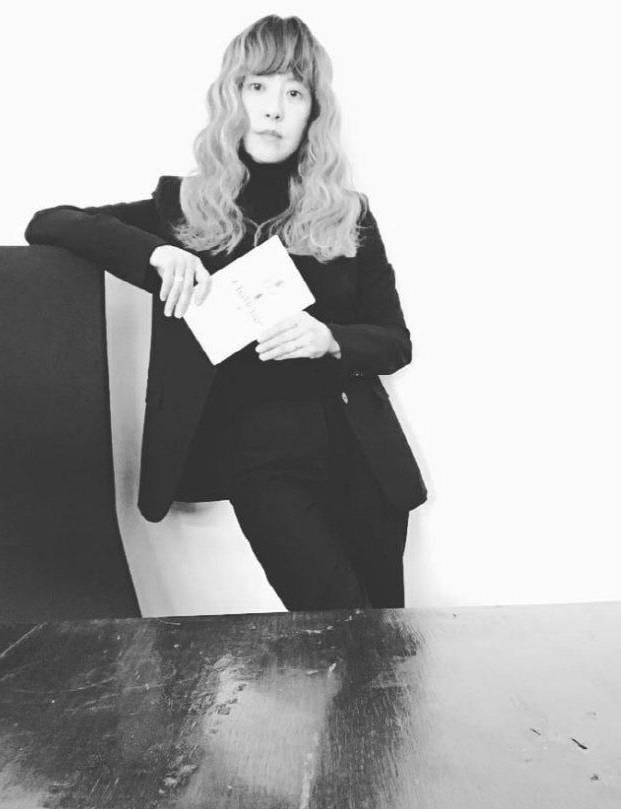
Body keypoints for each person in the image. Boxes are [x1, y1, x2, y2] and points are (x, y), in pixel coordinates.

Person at [25, 15, 427, 611]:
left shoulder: (348, 213)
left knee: (384, 631)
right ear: (231, 98)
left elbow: (395, 341)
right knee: (334, 618)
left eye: (294, 92)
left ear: (313, 112)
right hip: (258, 457)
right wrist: (155, 253)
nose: (273, 109)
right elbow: (49, 222)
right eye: (257, 86)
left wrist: (330, 338)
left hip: (360, 452)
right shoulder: (182, 207)